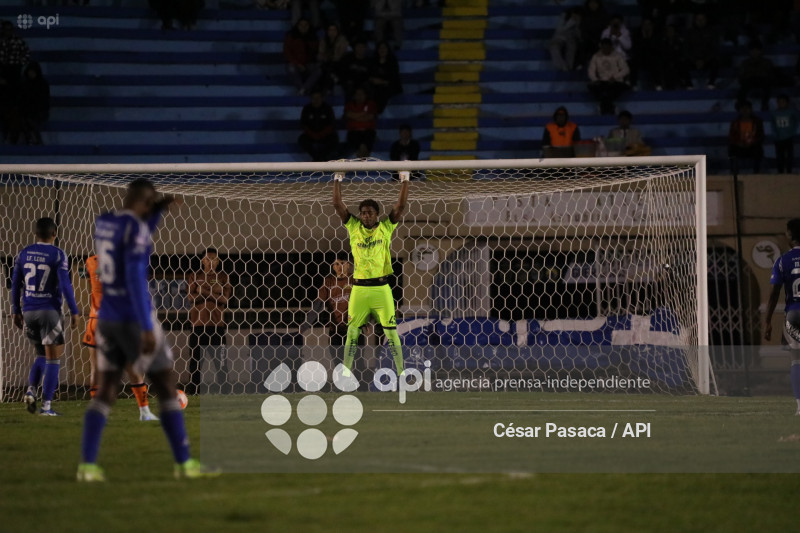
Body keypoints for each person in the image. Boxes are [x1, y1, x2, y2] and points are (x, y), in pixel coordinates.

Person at [77, 179, 218, 482]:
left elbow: (137, 225)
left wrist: (159, 210)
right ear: (145, 202)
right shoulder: (138, 232)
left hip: (107, 319)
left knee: (106, 391)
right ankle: (184, 463)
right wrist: (146, 327)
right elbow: (134, 279)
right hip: (133, 316)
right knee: (167, 385)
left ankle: (87, 466)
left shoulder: (104, 222)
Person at [332, 169, 408, 379]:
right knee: (352, 332)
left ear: (376, 214)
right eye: (363, 212)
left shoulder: (385, 227)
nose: (366, 215)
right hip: (359, 289)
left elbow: (400, 206)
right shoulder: (354, 227)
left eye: (370, 212)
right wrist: (337, 178)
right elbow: (338, 205)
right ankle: (345, 374)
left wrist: (405, 180)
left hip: (381, 288)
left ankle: (402, 373)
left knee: (391, 332)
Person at [11, 217, 80, 416]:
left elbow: (15, 284)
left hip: (29, 311)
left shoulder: (24, 253)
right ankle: (46, 407)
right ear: (54, 233)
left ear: (35, 234)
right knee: (53, 359)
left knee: (40, 355)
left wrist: (16, 309)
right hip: (49, 312)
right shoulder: (58, 254)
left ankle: (31, 390)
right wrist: (74, 310)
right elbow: (65, 285)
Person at [83, 255, 158, 421]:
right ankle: (144, 412)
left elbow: (87, 275)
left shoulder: (90, 261)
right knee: (133, 367)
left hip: (96, 320)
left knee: (96, 368)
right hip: (120, 321)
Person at [764, 219, 800, 415]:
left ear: (790, 236)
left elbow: (773, 293)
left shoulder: (783, 260)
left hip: (793, 314)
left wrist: (768, 321)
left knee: (796, 360)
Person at [186, 248, 232, 395]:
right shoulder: (194, 276)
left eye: (214, 259)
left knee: (222, 364)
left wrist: (203, 291)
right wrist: (214, 292)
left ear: (218, 261)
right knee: (195, 364)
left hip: (217, 328)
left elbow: (224, 299)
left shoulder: (223, 277)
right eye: (208, 259)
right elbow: (190, 298)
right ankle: (193, 394)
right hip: (198, 327)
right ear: (202, 260)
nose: (211, 262)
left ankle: (225, 394)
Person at [587, 38, 629, 115]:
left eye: (607, 47)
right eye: (604, 47)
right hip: (602, 81)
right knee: (594, 87)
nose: (605, 49)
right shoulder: (596, 56)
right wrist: (595, 79)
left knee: (610, 90)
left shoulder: (617, 56)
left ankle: (603, 107)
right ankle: (611, 107)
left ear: (611, 47)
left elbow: (625, 69)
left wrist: (615, 77)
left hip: (615, 81)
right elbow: (591, 71)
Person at [283, 18, 321, 96]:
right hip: (295, 63)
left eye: (306, 25)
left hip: (309, 63)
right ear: (297, 26)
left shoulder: (313, 37)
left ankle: (303, 89)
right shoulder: (291, 36)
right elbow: (287, 52)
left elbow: (315, 53)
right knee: (291, 69)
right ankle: (302, 89)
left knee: (319, 70)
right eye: (301, 25)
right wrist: (298, 64)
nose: (303, 27)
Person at [298, 90, 339, 162]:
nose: (316, 100)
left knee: (334, 139)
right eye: (314, 98)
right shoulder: (307, 109)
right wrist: (313, 134)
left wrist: (321, 134)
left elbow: (332, 124)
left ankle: (322, 157)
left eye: (318, 98)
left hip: (325, 135)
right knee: (302, 139)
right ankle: (317, 157)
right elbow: (303, 124)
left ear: (322, 98)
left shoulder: (327, 108)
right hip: (311, 135)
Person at [684, 12, 721, 89]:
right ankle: (689, 85)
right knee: (682, 64)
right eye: (698, 19)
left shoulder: (712, 32)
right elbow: (686, 49)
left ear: (706, 20)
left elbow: (714, 49)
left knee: (716, 62)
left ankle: (711, 83)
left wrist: (704, 60)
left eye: (702, 19)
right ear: (695, 20)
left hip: (707, 60)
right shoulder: (689, 32)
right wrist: (695, 60)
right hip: (693, 60)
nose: (700, 21)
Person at [728, 99, 764, 175]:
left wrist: (752, 142)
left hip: (752, 146)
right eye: (742, 109)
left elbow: (760, 135)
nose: (745, 111)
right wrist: (739, 143)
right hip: (739, 146)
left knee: (758, 149)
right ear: (739, 110)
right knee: (732, 149)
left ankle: (756, 172)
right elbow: (732, 136)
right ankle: (734, 173)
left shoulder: (757, 121)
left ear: (751, 110)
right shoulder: (735, 122)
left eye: (747, 108)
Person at [737, 41, 775, 111]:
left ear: (760, 51)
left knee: (767, 86)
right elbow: (741, 76)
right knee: (742, 89)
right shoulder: (745, 63)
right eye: (752, 50)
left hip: (763, 80)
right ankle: (741, 106)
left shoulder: (767, 62)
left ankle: (764, 104)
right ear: (749, 51)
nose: (754, 52)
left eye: (756, 50)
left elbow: (771, 74)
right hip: (749, 81)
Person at [18, 61, 49, 146]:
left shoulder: (42, 84)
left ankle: (34, 139)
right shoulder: (24, 84)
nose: (31, 74)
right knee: (23, 118)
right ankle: (32, 138)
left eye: (33, 72)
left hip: (39, 111)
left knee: (29, 119)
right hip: (26, 110)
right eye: (30, 72)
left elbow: (45, 100)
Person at [368, 41, 402, 114]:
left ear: (388, 49)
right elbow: (368, 74)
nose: (382, 50)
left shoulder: (392, 61)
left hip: (389, 85)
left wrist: (382, 82)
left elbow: (394, 78)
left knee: (382, 91)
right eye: (380, 48)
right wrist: (372, 80)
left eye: (384, 48)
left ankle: (376, 111)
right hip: (375, 85)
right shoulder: (373, 61)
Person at [344, 86, 378, 158]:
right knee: (358, 146)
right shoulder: (349, 104)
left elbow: (370, 117)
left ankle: (363, 164)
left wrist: (355, 116)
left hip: (368, 132)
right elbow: (349, 114)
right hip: (353, 132)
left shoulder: (371, 104)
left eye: (361, 94)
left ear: (365, 95)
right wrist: (363, 114)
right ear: (354, 96)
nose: (359, 96)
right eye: (357, 94)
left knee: (365, 146)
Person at [657, 24, 692, 91]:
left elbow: (683, 53)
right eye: (668, 31)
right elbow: (661, 54)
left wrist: (676, 60)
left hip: (677, 61)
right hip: (666, 62)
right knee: (663, 66)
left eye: (672, 30)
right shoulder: (663, 42)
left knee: (684, 64)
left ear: (675, 32)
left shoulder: (679, 41)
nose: (670, 32)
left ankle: (689, 85)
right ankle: (664, 86)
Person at [318, 23, 350, 93]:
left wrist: (330, 57)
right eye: (330, 30)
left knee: (329, 68)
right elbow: (321, 53)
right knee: (324, 67)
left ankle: (328, 88)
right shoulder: (324, 40)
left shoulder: (342, 40)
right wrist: (326, 58)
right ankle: (334, 79)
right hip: (327, 62)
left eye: (334, 30)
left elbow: (341, 54)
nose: (332, 32)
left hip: (339, 62)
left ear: (337, 31)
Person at [548, 7, 582, 72]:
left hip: (571, 39)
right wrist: (570, 22)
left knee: (572, 47)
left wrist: (578, 25)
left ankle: (569, 67)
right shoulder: (564, 16)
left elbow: (579, 36)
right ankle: (563, 67)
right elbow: (559, 30)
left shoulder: (580, 21)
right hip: (559, 37)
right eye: (574, 15)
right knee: (554, 47)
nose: (575, 16)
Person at [771, 94, 798, 174]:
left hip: (789, 137)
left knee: (789, 156)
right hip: (778, 138)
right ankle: (780, 172)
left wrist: (792, 132)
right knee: (780, 156)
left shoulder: (792, 112)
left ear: (787, 103)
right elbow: (773, 125)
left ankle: (789, 171)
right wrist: (775, 134)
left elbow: (796, 122)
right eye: (779, 102)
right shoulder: (774, 113)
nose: (781, 104)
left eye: (783, 102)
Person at [0, 20, 30, 87]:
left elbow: (27, 53)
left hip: (15, 70)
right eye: (6, 29)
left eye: (10, 29)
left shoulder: (18, 41)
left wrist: (20, 63)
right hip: (1, 70)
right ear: (2, 29)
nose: (8, 31)